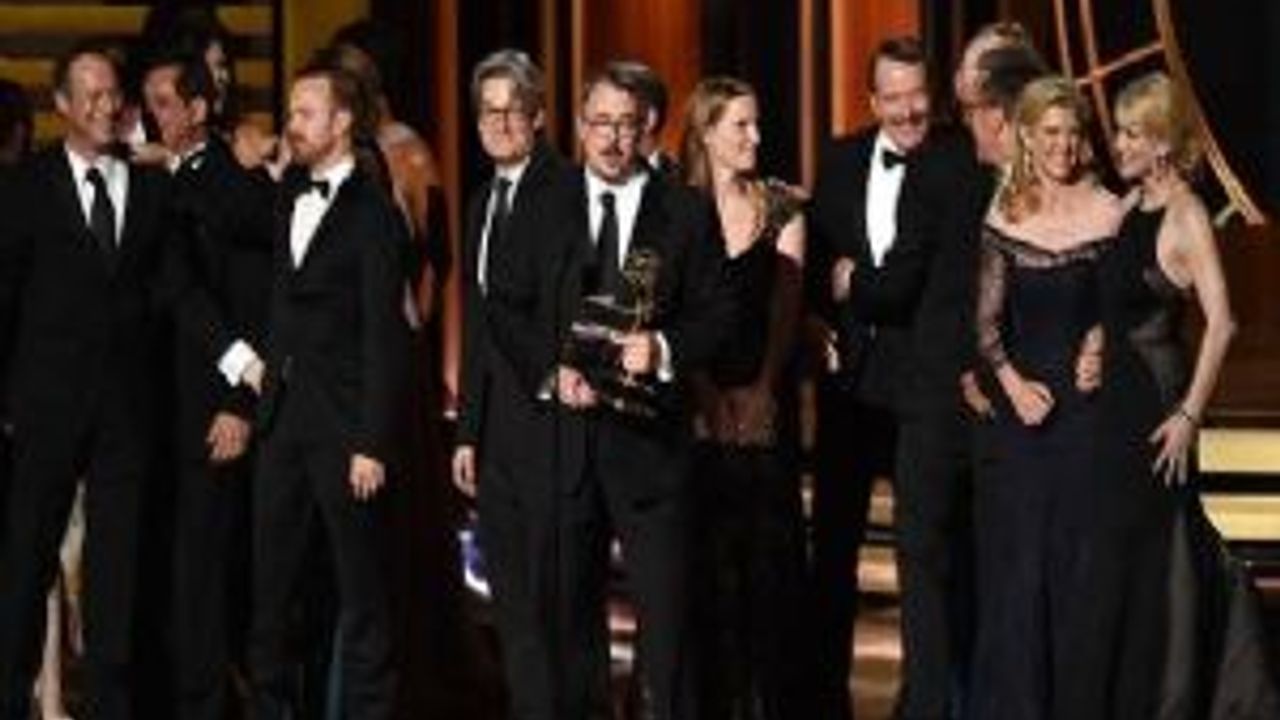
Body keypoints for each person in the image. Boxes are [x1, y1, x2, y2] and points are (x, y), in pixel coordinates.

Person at [488, 62, 728, 720]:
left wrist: (665, 348)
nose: (613, 139)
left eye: (626, 125)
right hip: (562, 451)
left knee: (670, 634)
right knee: (566, 631)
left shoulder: (684, 210)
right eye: (600, 123)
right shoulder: (542, 201)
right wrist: (549, 370)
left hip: (651, 450)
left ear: (647, 127)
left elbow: (719, 314)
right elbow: (503, 304)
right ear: (579, 125)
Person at [1093, 71, 1279, 718]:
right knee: (1127, 545)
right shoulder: (1125, 206)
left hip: (1158, 403)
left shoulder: (1187, 215)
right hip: (1112, 403)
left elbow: (1222, 322)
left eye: (1131, 134)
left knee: (1169, 543)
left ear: (1163, 143)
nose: (1118, 144)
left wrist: (1189, 416)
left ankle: (1178, 695)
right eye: (1119, 131)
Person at [0, 41, 172, 720]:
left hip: (126, 409)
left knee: (117, 567)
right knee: (27, 559)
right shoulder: (24, 188)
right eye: (92, 95)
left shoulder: (152, 187)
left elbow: (167, 293)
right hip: (44, 407)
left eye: (113, 94)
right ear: (62, 105)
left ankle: (110, 703)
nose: (107, 106)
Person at [244, 63, 410, 720]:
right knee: (272, 591)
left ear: (342, 122)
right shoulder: (287, 191)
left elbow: (384, 338)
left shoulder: (375, 215)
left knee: (361, 592)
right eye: (291, 112)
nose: (292, 124)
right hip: (281, 421)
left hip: (345, 432)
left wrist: (372, 441)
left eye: (305, 113)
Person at [968, 75, 1123, 720]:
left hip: (1088, 418)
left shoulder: (1111, 210)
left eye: (1072, 132)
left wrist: (1102, 341)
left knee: (1080, 573)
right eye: (1050, 132)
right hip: (1024, 421)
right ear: (1027, 136)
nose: (1063, 144)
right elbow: (985, 325)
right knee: (1021, 575)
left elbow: (1127, 306)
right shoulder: (1004, 212)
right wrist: (1010, 383)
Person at [143, 52, 275, 720]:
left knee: (205, 572)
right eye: (149, 103)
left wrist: (240, 403)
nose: (152, 117)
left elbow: (255, 301)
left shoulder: (235, 186)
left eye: (165, 103)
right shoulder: (160, 183)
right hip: (157, 413)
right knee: (173, 568)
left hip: (213, 413)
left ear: (198, 109)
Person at [806, 36, 932, 719]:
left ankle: (923, 702)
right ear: (872, 100)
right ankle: (823, 698)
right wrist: (816, 323)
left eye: (918, 95)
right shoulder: (840, 158)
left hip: (922, 392)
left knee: (923, 556)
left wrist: (861, 284)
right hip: (848, 390)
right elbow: (816, 264)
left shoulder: (954, 162)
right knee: (832, 552)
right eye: (894, 97)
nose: (909, 111)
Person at [678, 76, 806, 720]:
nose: (756, 136)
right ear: (706, 133)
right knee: (705, 580)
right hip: (693, 410)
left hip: (762, 408)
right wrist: (706, 399)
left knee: (768, 579)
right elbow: (673, 312)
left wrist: (760, 393)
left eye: (757, 123)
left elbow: (785, 310)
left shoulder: (781, 207)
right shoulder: (676, 209)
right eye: (740, 125)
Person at [451, 49, 569, 720]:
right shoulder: (479, 203)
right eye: (487, 112)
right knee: (514, 608)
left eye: (511, 110)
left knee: (556, 609)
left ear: (539, 116)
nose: (498, 123)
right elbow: (477, 326)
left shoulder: (566, 192)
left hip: (553, 424)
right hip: (495, 434)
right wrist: (468, 430)